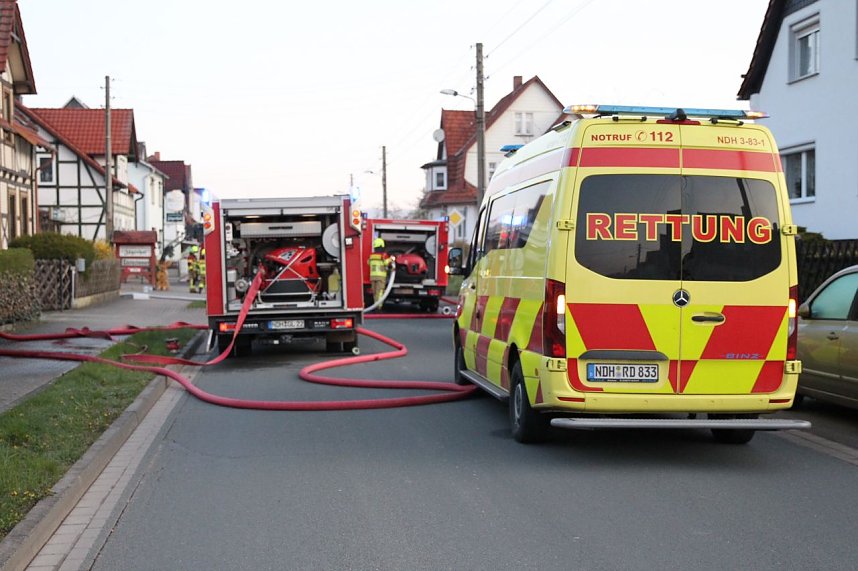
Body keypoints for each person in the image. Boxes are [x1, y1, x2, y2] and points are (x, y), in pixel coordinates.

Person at [367, 238, 394, 304]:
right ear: (382, 246)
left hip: (373, 276)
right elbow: (385, 263)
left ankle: (375, 304)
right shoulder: (383, 255)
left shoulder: (372, 256)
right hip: (381, 276)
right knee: (380, 292)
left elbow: (368, 263)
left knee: (375, 292)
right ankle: (378, 306)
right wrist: (391, 259)